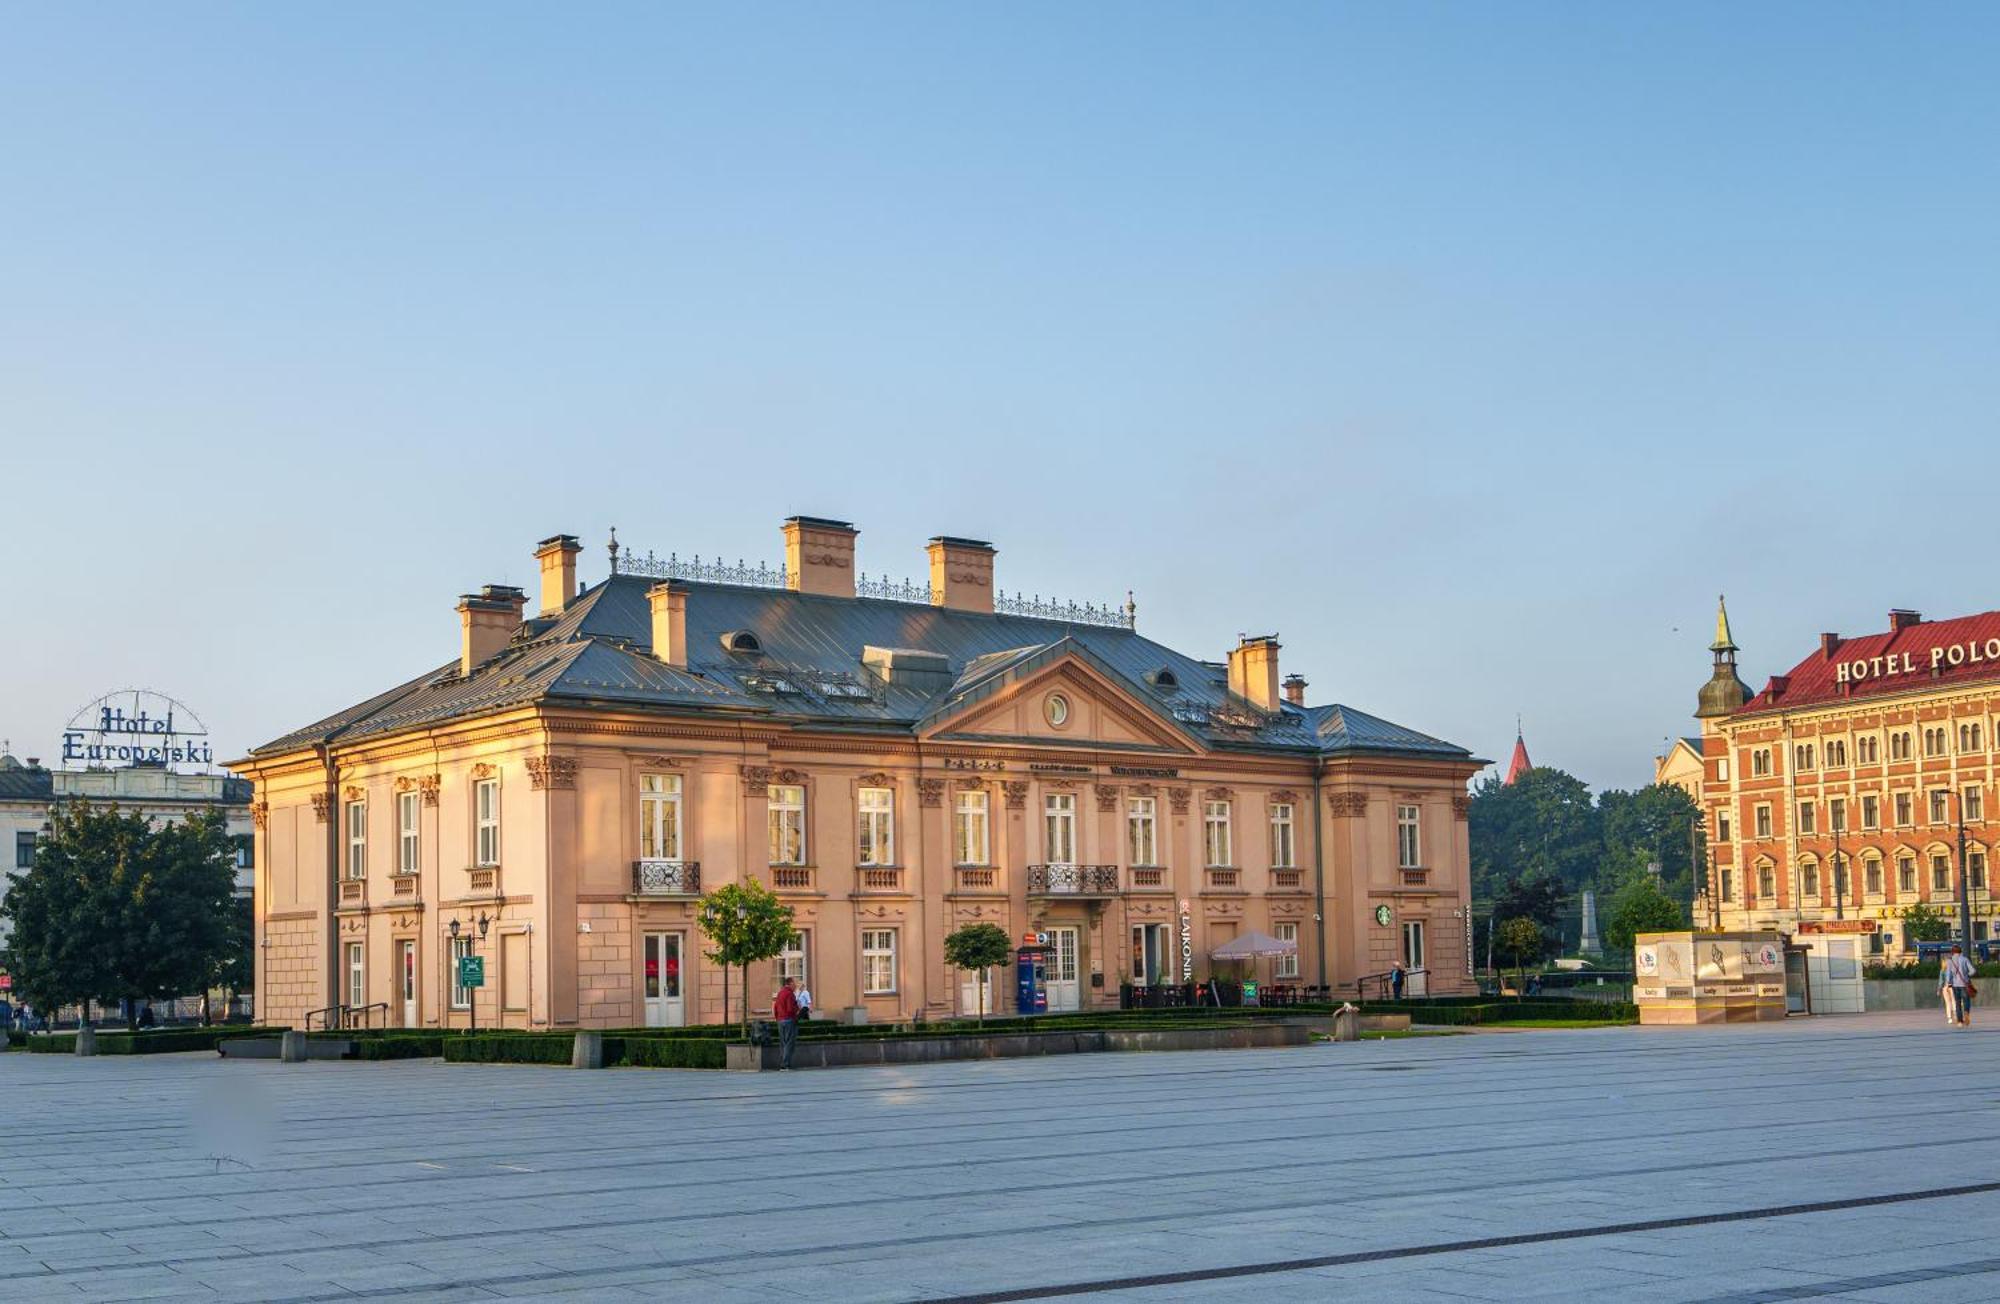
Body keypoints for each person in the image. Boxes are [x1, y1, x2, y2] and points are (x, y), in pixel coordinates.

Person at [1940, 945, 1976, 1028]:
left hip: (1955, 985)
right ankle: (1966, 1013)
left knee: (1958, 1003)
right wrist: (1966, 975)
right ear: (1960, 951)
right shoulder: (1965, 959)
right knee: (1966, 1001)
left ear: (1952, 952)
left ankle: (1959, 1021)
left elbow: (1948, 974)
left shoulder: (1950, 961)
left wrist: (1949, 983)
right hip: (1964, 984)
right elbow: (1973, 971)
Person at [772, 977, 800, 1070]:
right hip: (789, 1020)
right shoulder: (790, 994)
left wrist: (777, 1018)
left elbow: (775, 1007)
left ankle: (783, 1063)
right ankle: (785, 1064)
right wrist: (797, 1010)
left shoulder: (780, 993)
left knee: (783, 1043)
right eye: (794, 984)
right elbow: (790, 1009)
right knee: (789, 1043)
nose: (795, 986)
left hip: (780, 1020)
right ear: (790, 984)